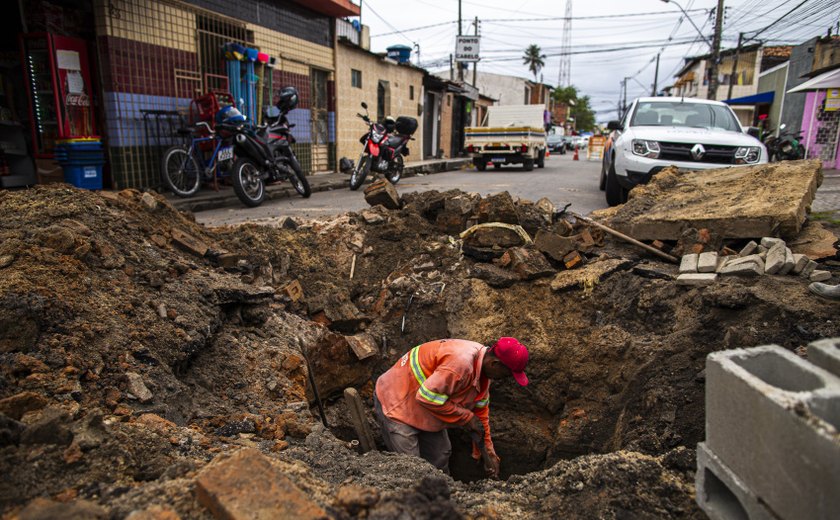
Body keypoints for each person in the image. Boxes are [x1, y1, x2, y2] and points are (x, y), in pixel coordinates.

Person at [373, 337, 529, 478]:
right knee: (410, 468)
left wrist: (488, 450)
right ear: (495, 364)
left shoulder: (482, 373)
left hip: (425, 407)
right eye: (507, 374)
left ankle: (444, 497)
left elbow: (480, 413)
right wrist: (467, 418)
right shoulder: (460, 364)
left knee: (440, 455)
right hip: (397, 401)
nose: (505, 379)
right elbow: (426, 396)